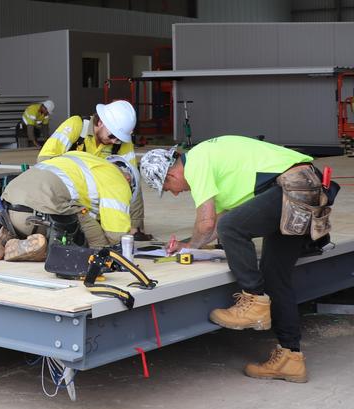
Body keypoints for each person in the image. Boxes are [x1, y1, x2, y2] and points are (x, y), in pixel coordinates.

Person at [141, 136, 331, 383]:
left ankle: (253, 301)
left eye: (167, 189)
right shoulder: (214, 165)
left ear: (170, 175)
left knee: (234, 228)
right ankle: (291, 358)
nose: (175, 194)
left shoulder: (196, 161)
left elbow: (210, 223)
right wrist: (190, 243)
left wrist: (191, 246)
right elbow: (217, 225)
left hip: (290, 187)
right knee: (275, 277)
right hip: (303, 188)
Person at [0, 152, 134, 261]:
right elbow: (115, 236)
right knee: (100, 247)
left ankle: (9, 237)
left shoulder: (79, 159)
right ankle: (42, 249)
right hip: (34, 215)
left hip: (8, 210)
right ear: (127, 178)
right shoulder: (117, 179)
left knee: (60, 207)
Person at [39, 100, 146, 235]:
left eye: (118, 139)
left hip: (93, 200)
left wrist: (136, 225)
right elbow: (44, 160)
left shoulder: (122, 142)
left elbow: (133, 182)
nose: (114, 141)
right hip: (67, 193)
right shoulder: (76, 126)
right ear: (100, 122)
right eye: (112, 135)